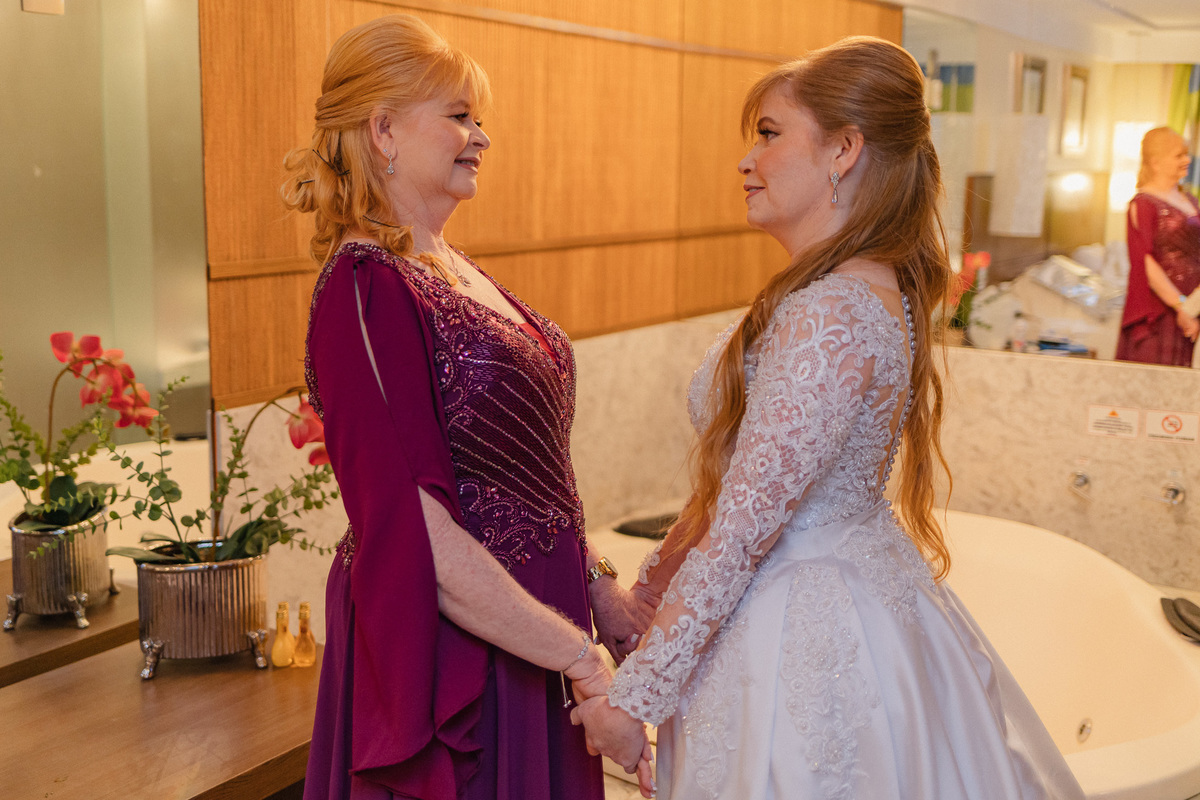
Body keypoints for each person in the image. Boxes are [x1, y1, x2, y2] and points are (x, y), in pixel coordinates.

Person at [571, 37, 1086, 800]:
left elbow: (746, 529)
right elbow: (750, 481)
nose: (746, 160)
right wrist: (658, 580)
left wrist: (634, 698)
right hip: (841, 588)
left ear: (844, 150)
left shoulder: (830, 312)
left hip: (799, 629)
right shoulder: (855, 292)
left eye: (769, 134)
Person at [283, 15, 652, 799]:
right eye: (458, 116)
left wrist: (598, 589)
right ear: (383, 130)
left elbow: (534, 479)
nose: (481, 137)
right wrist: (580, 658)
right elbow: (413, 529)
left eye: (478, 119)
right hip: (462, 650)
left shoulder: (448, 265)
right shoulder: (365, 287)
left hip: (532, 628)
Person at [1116, 126, 1200, 366]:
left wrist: (1193, 306)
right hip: (1161, 311)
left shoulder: (1190, 199)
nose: (1187, 160)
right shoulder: (1143, 204)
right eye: (1178, 155)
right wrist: (1181, 306)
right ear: (1156, 162)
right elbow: (1145, 264)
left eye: (1186, 154)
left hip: (1193, 306)